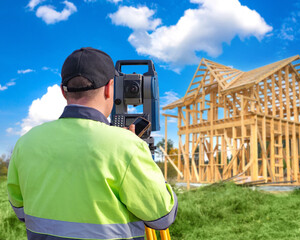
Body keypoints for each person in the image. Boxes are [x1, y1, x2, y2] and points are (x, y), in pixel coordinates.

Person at [7, 47, 177, 240]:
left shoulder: (25, 143)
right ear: (109, 88)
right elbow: (163, 216)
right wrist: (138, 153)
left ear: (63, 91)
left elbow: (21, 212)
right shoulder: (127, 147)